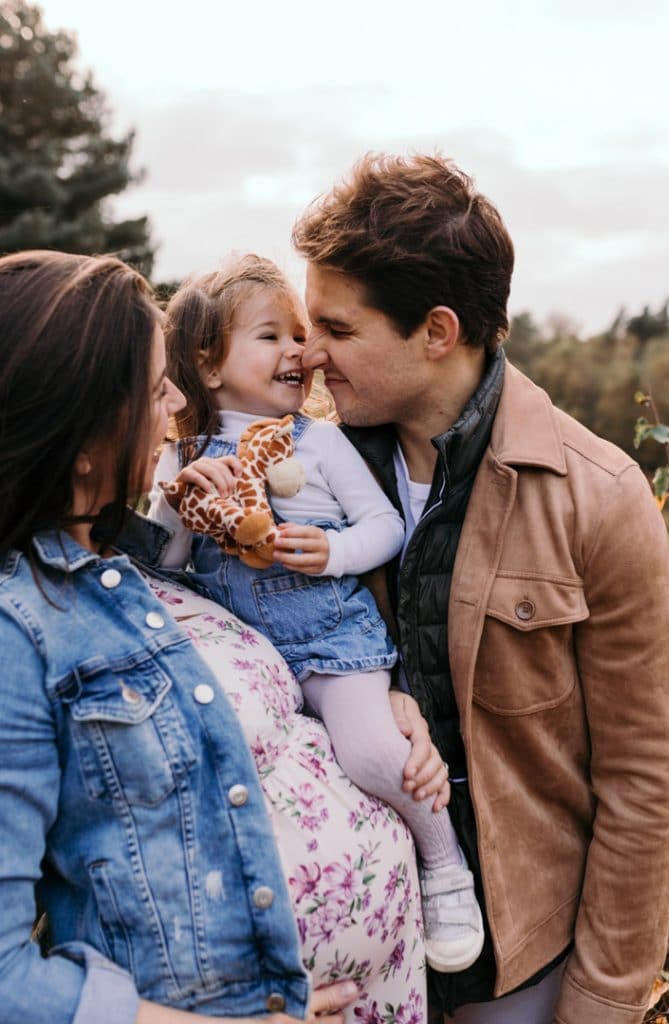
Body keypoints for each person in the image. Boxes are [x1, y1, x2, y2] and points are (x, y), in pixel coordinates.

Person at [0, 249, 447, 1024]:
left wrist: (386, 698)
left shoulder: (139, 561)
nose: (175, 399)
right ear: (78, 436)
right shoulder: (18, 632)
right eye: (151, 387)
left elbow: (297, 640)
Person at [292, 153, 669, 1024]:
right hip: (346, 961)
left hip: (517, 976)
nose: (308, 354)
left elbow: (644, 780)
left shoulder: (600, 494)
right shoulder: (299, 474)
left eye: (338, 329)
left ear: (437, 331)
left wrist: (600, 1004)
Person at [147, 254, 484, 974]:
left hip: (331, 642)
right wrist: (174, 497)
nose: (298, 352)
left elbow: (384, 528)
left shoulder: (319, 442)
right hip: (242, 651)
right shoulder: (180, 455)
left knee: (373, 754)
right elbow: (164, 570)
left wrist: (329, 552)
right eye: (271, 336)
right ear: (207, 365)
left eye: (300, 335)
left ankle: (443, 864)